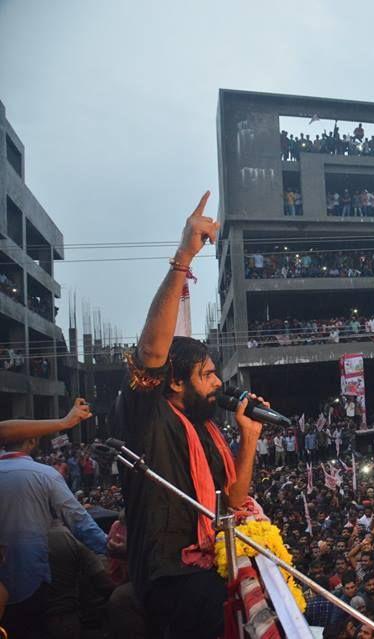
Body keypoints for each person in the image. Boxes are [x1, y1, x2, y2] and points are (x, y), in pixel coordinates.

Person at [109, 191, 270, 639]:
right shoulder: (149, 417)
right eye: (208, 375)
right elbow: (149, 354)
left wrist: (250, 436)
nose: (219, 384)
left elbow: (233, 502)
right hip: (171, 577)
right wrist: (183, 257)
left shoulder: (209, 431)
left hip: (210, 564)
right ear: (175, 382)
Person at [0, 400, 107, 638]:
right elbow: (79, 521)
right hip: (31, 584)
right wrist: (111, 548)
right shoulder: (45, 475)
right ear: (32, 440)